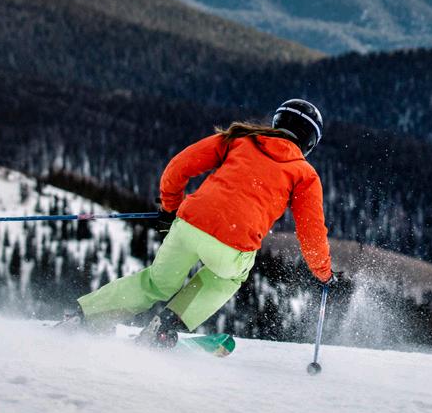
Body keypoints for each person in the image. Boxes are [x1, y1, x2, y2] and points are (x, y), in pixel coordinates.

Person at [66, 99, 335, 347]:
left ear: (277, 122)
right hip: (233, 245)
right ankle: (164, 328)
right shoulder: (304, 174)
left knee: (156, 282)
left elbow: (178, 166)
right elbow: (311, 234)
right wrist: (324, 273)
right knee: (228, 278)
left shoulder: (239, 139)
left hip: (188, 224)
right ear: (310, 142)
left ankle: (86, 316)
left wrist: (169, 209)